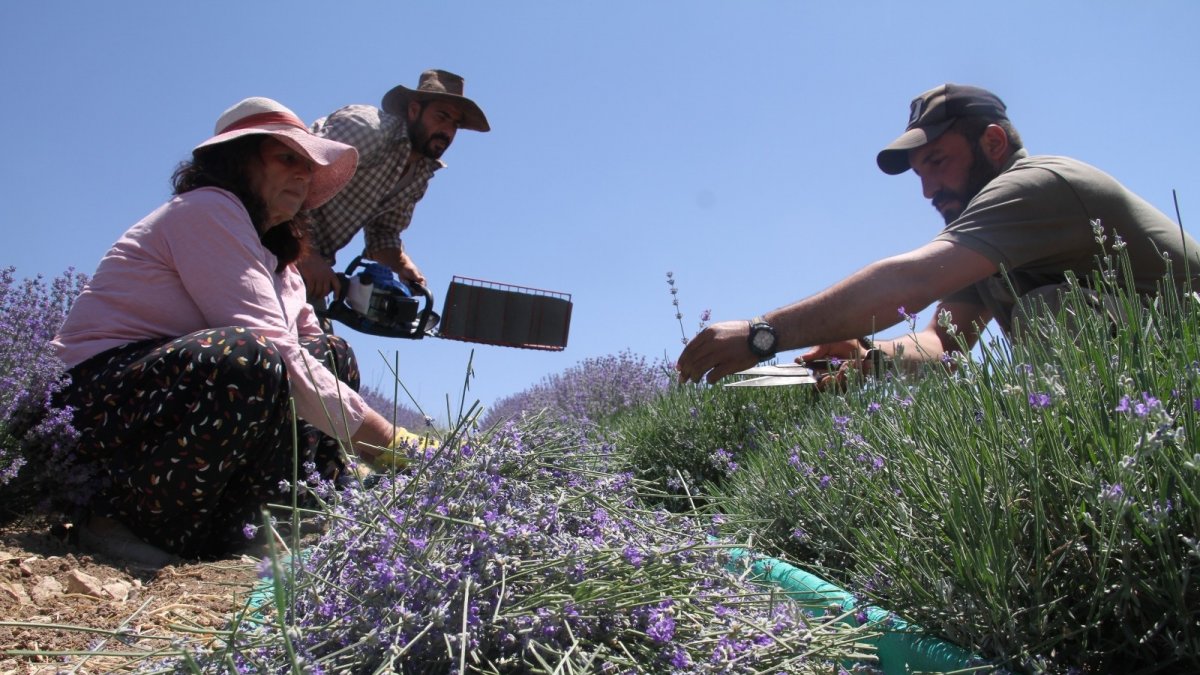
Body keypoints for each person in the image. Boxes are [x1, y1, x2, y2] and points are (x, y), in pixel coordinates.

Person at [52, 97, 422, 565]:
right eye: (288, 157)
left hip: (163, 407)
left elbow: (306, 351)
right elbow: (272, 348)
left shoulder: (278, 261)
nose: (304, 173)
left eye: (309, 165)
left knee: (330, 351)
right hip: (99, 404)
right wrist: (389, 442)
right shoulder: (206, 210)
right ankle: (117, 520)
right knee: (249, 355)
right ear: (238, 160)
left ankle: (268, 520)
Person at [677, 83, 1200, 385]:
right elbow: (942, 343)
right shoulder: (990, 239)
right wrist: (868, 356)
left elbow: (911, 280)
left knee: (1051, 311)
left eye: (938, 162)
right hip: (1153, 385)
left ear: (993, 142)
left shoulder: (1038, 185)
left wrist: (761, 334)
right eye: (919, 173)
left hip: (1182, 374)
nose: (927, 188)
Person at [297, 69, 490, 304]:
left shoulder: (421, 172)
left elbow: (383, 233)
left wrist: (401, 264)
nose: (447, 132)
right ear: (414, 110)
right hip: (260, 242)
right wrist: (304, 253)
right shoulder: (369, 130)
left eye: (454, 125)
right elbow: (291, 177)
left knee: (320, 340)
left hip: (308, 273)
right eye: (441, 117)